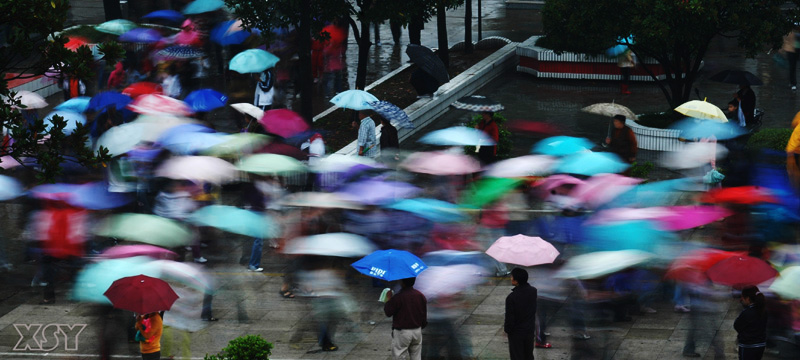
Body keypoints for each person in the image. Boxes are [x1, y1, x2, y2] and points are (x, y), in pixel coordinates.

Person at [384, 277, 427, 360]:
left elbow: (388, 312)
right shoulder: (420, 295)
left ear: (402, 283)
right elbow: (423, 314)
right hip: (417, 331)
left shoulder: (398, 297)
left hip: (402, 332)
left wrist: (389, 299)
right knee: (416, 356)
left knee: (399, 356)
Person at [505, 268, 541, 360]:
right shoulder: (533, 291)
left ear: (516, 281)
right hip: (529, 330)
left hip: (516, 333)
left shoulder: (511, 298)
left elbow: (510, 317)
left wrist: (507, 330)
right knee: (528, 355)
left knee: (517, 356)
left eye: (512, 277)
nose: (511, 278)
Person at [734, 285, 768, 360]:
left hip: (748, 346)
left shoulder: (747, 313)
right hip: (760, 344)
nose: (741, 299)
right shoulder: (763, 310)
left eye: (743, 297)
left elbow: (737, 325)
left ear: (748, 299)